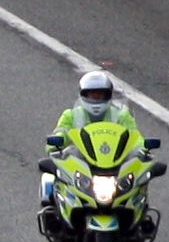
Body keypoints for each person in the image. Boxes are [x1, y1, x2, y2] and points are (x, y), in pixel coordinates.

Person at [41, 68, 150, 228]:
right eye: (92, 95)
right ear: (84, 95)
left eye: (100, 95)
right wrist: (57, 142)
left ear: (108, 96)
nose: (96, 98)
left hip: (113, 164)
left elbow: (135, 137)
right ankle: (62, 210)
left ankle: (137, 212)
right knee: (66, 156)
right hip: (85, 167)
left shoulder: (121, 116)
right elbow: (60, 132)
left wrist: (143, 150)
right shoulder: (71, 116)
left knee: (139, 167)